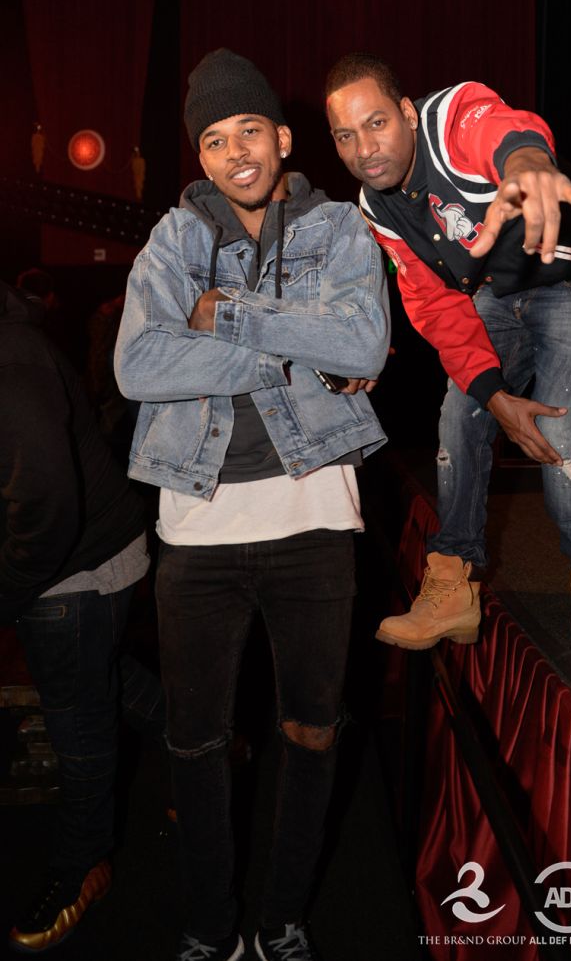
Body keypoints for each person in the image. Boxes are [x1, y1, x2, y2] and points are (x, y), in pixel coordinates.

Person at [115, 48, 390, 961]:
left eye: (248, 131)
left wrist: (224, 317)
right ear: (201, 157)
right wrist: (294, 346)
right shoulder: (171, 241)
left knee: (313, 735)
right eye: (212, 138)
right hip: (196, 533)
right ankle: (208, 925)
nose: (234, 151)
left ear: (281, 137)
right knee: (195, 746)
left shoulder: (339, 231)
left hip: (315, 522)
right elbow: (137, 366)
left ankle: (281, 918)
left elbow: (365, 344)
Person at [325, 53, 571, 653]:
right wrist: (494, 397)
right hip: (506, 288)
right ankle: (454, 582)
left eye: (377, 123)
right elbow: (438, 309)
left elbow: (502, 129)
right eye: (345, 135)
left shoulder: (451, 121)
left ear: (407, 114)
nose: (364, 147)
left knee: (562, 431)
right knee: (459, 415)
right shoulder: (377, 208)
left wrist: (525, 162)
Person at [0, 280, 165, 954]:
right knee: (98, 680)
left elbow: (46, 509)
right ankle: (207, 734)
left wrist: (4, 592)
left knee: (80, 721)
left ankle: (81, 866)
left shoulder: (9, 360)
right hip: (77, 554)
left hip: (75, 566)